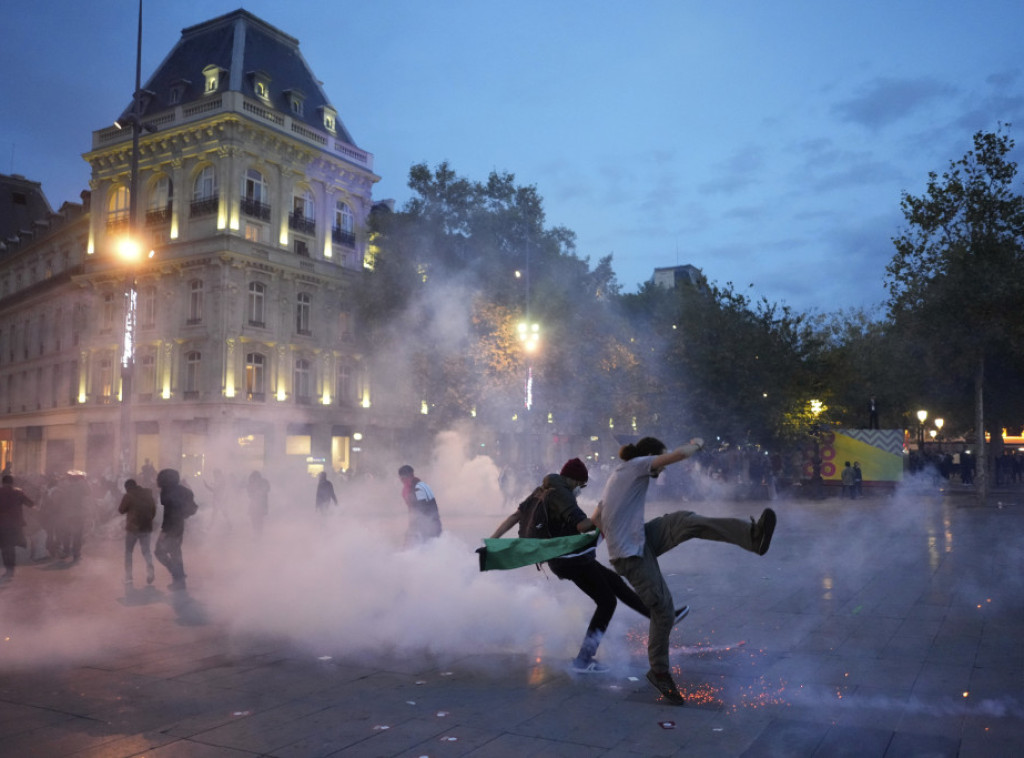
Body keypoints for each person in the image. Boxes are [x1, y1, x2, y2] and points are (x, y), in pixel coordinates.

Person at [593, 436, 777, 705]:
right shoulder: (638, 465)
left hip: (639, 540)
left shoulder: (620, 474)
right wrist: (697, 444)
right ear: (651, 457)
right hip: (630, 555)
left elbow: (596, 519)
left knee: (685, 521)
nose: (662, 470)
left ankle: (753, 537)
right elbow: (679, 456)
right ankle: (659, 671)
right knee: (663, 610)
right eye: (660, 462)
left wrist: (586, 533)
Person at [490, 458, 689, 673]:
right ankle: (583, 661)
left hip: (568, 557)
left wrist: (493, 541)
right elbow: (583, 526)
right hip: (569, 559)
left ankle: (662, 617)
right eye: (581, 485)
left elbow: (515, 516)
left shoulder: (543, 490)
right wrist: (605, 509)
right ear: (574, 480)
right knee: (607, 602)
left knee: (615, 583)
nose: (580, 490)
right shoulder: (562, 494)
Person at [154, 468, 196, 591]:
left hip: (171, 528)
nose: (157, 481)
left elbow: (169, 513)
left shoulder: (167, 492)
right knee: (176, 553)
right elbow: (190, 509)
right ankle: (179, 581)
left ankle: (178, 575)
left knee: (159, 552)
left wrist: (164, 531)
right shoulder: (184, 491)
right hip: (179, 525)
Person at [118, 478, 156, 586]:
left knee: (129, 552)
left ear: (127, 487)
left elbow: (121, 510)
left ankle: (129, 577)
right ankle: (150, 569)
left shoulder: (129, 495)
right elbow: (153, 510)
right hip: (146, 527)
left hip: (133, 528)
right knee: (146, 551)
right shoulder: (148, 495)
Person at [0, 475, 34, 582]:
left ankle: (8, 566)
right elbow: (30, 504)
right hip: (15, 523)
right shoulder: (18, 492)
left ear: (2, 482)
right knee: (11, 544)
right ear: (12, 482)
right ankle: (11, 566)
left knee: (5, 545)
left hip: (2, 523)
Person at [398, 465, 442, 546]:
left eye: (407, 477)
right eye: (402, 478)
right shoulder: (408, 488)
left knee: (427, 544)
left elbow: (423, 508)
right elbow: (413, 510)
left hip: (430, 522)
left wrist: (415, 526)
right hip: (423, 522)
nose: (403, 480)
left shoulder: (418, 487)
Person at [246, 471, 270, 535]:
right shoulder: (251, 483)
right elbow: (249, 494)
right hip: (254, 504)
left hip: (261, 505)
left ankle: (259, 534)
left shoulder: (264, 482)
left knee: (259, 520)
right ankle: (256, 533)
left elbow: (267, 489)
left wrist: (259, 492)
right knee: (254, 519)